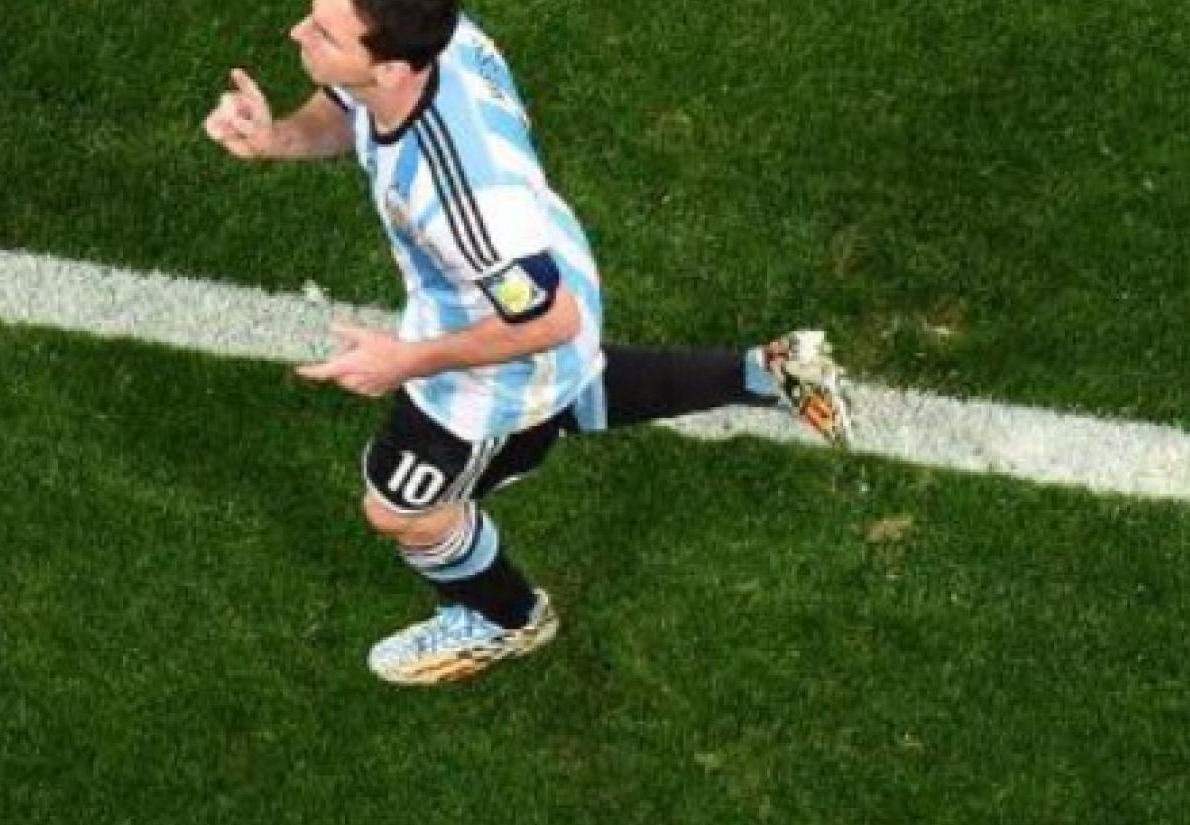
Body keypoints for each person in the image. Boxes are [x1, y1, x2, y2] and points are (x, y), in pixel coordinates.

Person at [202, 0, 853, 686]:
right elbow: (345, 102)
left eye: (323, 32)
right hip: (543, 264)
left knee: (401, 507)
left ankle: (506, 619)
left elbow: (546, 324)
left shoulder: (461, 203)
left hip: (505, 351)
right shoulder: (432, 44)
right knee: (576, 388)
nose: (297, 32)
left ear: (389, 66)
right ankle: (772, 371)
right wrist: (279, 137)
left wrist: (406, 360)